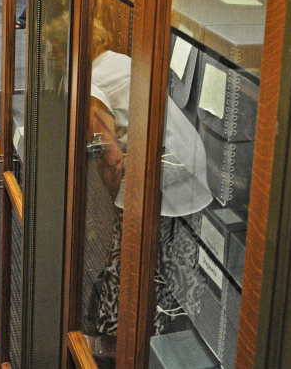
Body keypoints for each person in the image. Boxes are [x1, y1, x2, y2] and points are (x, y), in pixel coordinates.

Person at [86, 18, 212, 361]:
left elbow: (110, 158)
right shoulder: (117, 59)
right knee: (178, 256)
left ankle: (114, 345)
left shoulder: (91, 83)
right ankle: (173, 342)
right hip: (188, 156)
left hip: (163, 166)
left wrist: (116, 203)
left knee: (125, 251)